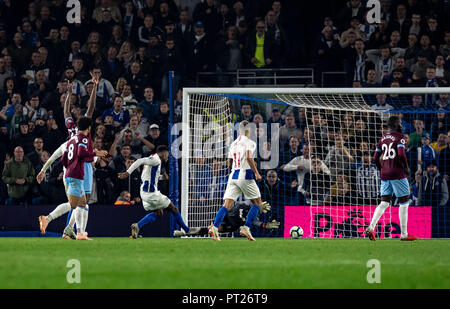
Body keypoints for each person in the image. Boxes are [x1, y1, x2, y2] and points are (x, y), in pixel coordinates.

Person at [118, 145, 200, 238]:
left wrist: (161, 177)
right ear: (164, 153)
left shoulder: (153, 160)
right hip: (151, 194)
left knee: (159, 213)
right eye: (168, 155)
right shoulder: (155, 159)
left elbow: (147, 176)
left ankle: (138, 226)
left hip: (144, 193)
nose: (168, 158)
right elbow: (139, 160)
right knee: (173, 208)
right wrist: (127, 172)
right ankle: (187, 230)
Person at [209, 121, 263, 241]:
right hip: (245, 175)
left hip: (233, 176)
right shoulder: (250, 143)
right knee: (258, 203)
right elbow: (249, 157)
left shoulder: (233, 143)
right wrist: (256, 173)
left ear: (239, 130)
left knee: (227, 205)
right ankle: (246, 227)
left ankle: (215, 227)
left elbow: (229, 162)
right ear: (250, 131)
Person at [365, 116, 417, 241]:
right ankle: (404, 234)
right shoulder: (400, 137)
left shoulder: (382, 138)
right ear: (397, 124)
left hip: (385, 173)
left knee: (384, 202)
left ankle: (371, 227)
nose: (401, 125)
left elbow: (375, 157)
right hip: (397, 173)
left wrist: (381, 169)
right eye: (400, 122)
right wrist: (406, 167)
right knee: (404, 203)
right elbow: (401, 154)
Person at [174, 201, 279, 237]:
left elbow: (258, 223)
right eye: (261, 207)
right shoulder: (245, 205)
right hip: (227, 217)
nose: (262, 210)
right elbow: (236, 208)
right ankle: (185, 232)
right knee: (211, 228)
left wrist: (266, 225)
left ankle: (185, 233)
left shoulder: (254, 217)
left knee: (209, 230)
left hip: (232, 226)